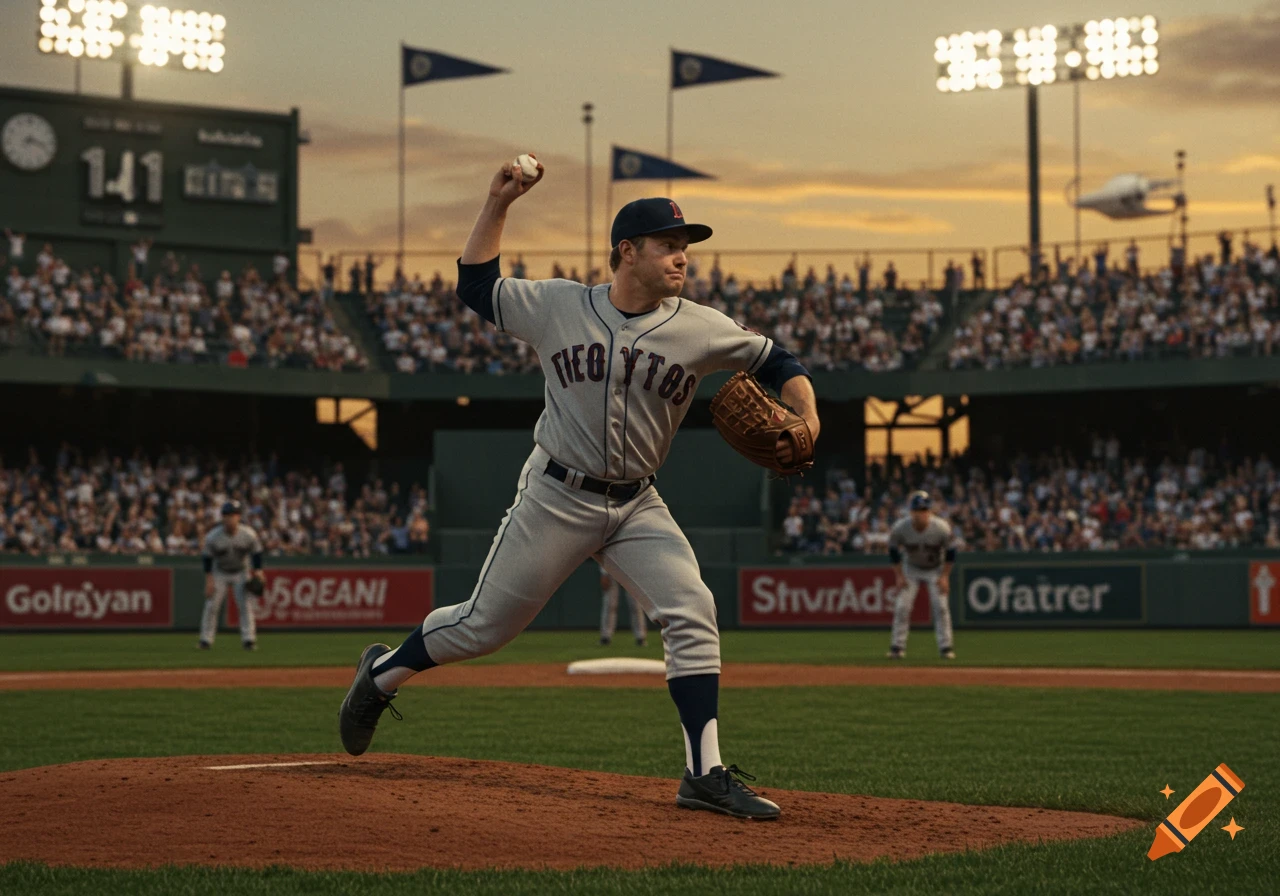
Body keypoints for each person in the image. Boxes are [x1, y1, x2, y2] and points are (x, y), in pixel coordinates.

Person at [338, 154, 820, 820]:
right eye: (669, 246)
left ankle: (703, 774)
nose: (683, 259)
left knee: (692, 610)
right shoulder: (558, 306)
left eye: (686, 248)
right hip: (556, 496)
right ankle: (382, 673)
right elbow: (476, 286)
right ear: (627, 252)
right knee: (483, 629)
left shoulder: (701, 325)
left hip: (636, 504)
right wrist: (498, 201)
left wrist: (808, 410)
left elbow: (780, 361)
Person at [886, 491, 957, 660]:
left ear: (930, 512)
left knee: (941, 607)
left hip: (935, 569)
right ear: (911, 512)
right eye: (918, 510)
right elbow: (893, 551)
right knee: (902, 606)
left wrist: (945, 576)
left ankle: (946, 647)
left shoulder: (941, 527)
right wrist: (899, 576)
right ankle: (897, 647)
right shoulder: (901, 527)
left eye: (925, 510)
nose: (921, 514)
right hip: (911, 569)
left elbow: (951, 552)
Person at [199, 500, 265, 651]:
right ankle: (206, 640)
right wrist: (209, 580)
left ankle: (249, 639)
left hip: (241, 572)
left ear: (238, 517)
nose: (230, 518)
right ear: (222, 517)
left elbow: (257, 553)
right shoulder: (213, 537)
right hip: (220, 572)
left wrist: (258, 572)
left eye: (233, 515)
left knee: (245, 605)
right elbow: (207, 558)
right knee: (211, 605)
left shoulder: (248, 534)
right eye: (227, 515)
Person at [599, 564, 646, 646]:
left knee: (635, 605)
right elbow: (603, 552)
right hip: (611, 566)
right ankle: (605, 637)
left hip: (630, 567)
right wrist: (604, 573)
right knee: (610, 605)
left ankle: (640, 637)